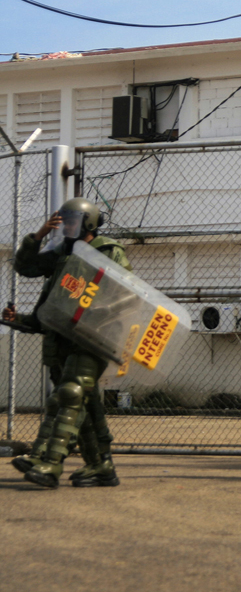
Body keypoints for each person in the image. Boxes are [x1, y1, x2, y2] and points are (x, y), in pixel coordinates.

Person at [9, 198, 130, 488]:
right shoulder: (61, 251)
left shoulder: (108, 250)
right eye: (64, 221)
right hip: (60, 340)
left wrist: (89, 316)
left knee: (70, 394)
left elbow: (125, 295)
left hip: (92, 338)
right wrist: (38, 236)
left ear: (88, 222)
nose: (67, 226)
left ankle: (49, 463)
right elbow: (25, 267)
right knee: (83, 403)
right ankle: (100, 465)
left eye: (73, 220)